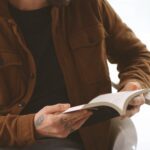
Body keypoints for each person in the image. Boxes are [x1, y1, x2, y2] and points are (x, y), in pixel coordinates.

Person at [0, 0, 150, 149]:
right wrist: (32, 127)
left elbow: (136, 55)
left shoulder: (88, 4)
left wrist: (134, 83)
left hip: (79, 140)